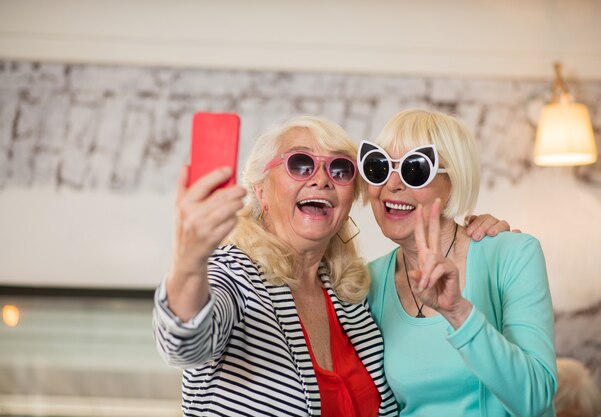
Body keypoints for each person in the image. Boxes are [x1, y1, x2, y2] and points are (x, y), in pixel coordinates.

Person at [153, 114, 508, 417]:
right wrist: (190, 259)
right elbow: (184, 342)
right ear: (261, 190)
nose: (321, 178)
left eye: (340, 169)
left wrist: (473, 235)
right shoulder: (233, 273)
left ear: (349, 199)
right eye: (300, 164)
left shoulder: (351, 293)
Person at [359, 109, 558, 417]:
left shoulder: (513, 255)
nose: (393, 184)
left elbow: (535, 399)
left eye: (415, 169)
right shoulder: (368, 283)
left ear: (454, 181)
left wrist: (458, 313)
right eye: (379, 167)